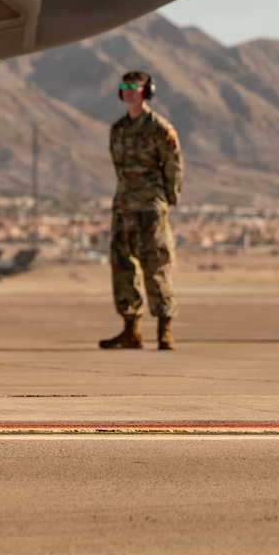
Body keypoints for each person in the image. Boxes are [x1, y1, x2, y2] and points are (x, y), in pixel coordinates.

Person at [100, 69, 183, 352]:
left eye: (135, 87)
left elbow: (173, 165)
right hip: (124, 206)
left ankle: (164, 330)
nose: (129, 91)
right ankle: (130, 330)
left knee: (156, 266)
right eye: (124, 86)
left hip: (150, 208)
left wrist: (168, 199)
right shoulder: (118, 129)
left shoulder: (160, 129)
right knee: (121, 266)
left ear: (147, 92)